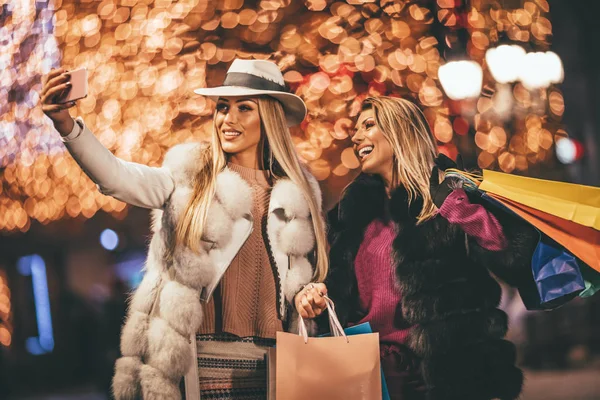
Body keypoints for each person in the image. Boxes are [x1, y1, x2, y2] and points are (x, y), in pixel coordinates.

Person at [41, 59, 328, 400]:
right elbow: (116, 177)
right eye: (222, 108)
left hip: (279, 368)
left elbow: (291, 281)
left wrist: (306, 296)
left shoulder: (296, 196)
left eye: (244, 108)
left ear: (269, 119)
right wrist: (67, 126)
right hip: (202, 367)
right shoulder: (191, 178)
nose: (228, 119)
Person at [295, 96, 538, 400]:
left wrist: (453, 206)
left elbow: (507, 252)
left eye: (369, 125)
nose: (356, 137)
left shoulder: (447, 199)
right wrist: (317, 295)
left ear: (401, 131)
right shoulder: (350, 216)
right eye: (356, 130)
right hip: (372, 373)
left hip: (451, 373)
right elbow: (340, 288)